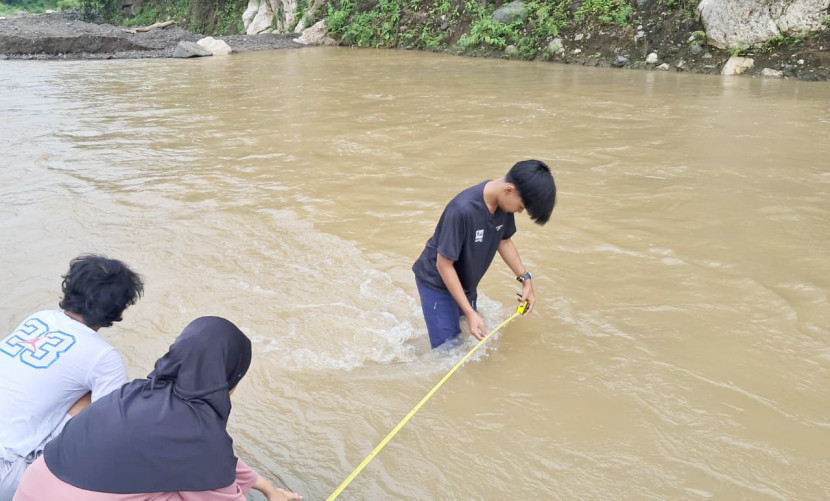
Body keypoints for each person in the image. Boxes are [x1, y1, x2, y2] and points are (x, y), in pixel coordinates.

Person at [13, 316, 302, 501]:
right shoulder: (200, 436)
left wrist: (268, 489)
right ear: (231, 380)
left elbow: (218, 462)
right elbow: (216, 474)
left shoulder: (136, 392)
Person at [0, 254, 144, 501]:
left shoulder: (39, 318)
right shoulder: (104, 357)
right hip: (6, 472)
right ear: (118, 308)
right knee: (101, 404)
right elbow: (109, 433)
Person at [412, 159, 556, 349]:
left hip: (466, 284)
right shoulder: (462, 210)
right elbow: (444, 265)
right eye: (521, 206)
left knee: (468, 338)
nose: (520, 211)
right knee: (448, 351)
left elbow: (504, 240)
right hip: (437, 284)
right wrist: (471, 313)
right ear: (509, 190)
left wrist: (525, 279)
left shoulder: (503, 205)